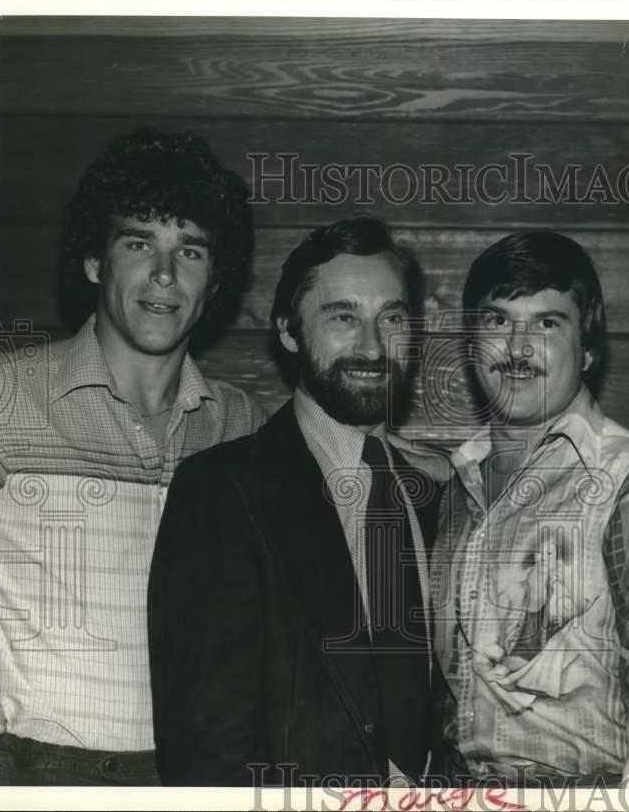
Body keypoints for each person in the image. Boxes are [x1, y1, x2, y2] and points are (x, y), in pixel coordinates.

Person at [0, 127, 266, 785]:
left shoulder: (240, 423)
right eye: (139, 242)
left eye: (190, 251)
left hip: (201, 776)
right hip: (42, 772)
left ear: (215, 281)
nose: (164, 275)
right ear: (94, 261)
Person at [148, 216, 441, 787]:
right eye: (342, 317)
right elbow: (205, 752)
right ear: (287, 330)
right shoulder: (219, 493)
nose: (372, 346)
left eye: (392, 318)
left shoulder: (434, 493)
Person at [430, 231, 629, 789]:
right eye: (497, 320)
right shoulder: (458, 486)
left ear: (588, 349)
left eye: (547, 324)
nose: (517, 347)